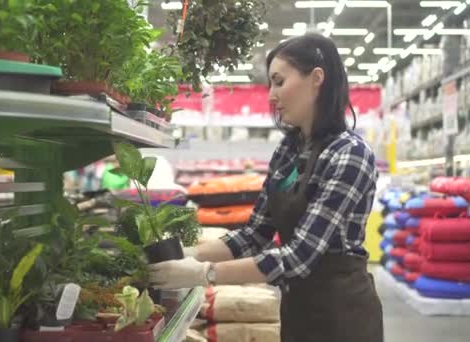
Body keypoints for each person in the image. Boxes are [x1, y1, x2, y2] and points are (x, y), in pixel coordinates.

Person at [147, 33, 383, 342]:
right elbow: (254, 234)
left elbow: (298, 257)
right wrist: (189, 254)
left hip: (343, 315)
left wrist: (204, 274)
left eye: (279, 81)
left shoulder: (349, 154)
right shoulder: (288, 151)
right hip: (298, 308)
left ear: (316, 79)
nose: (271, 95)